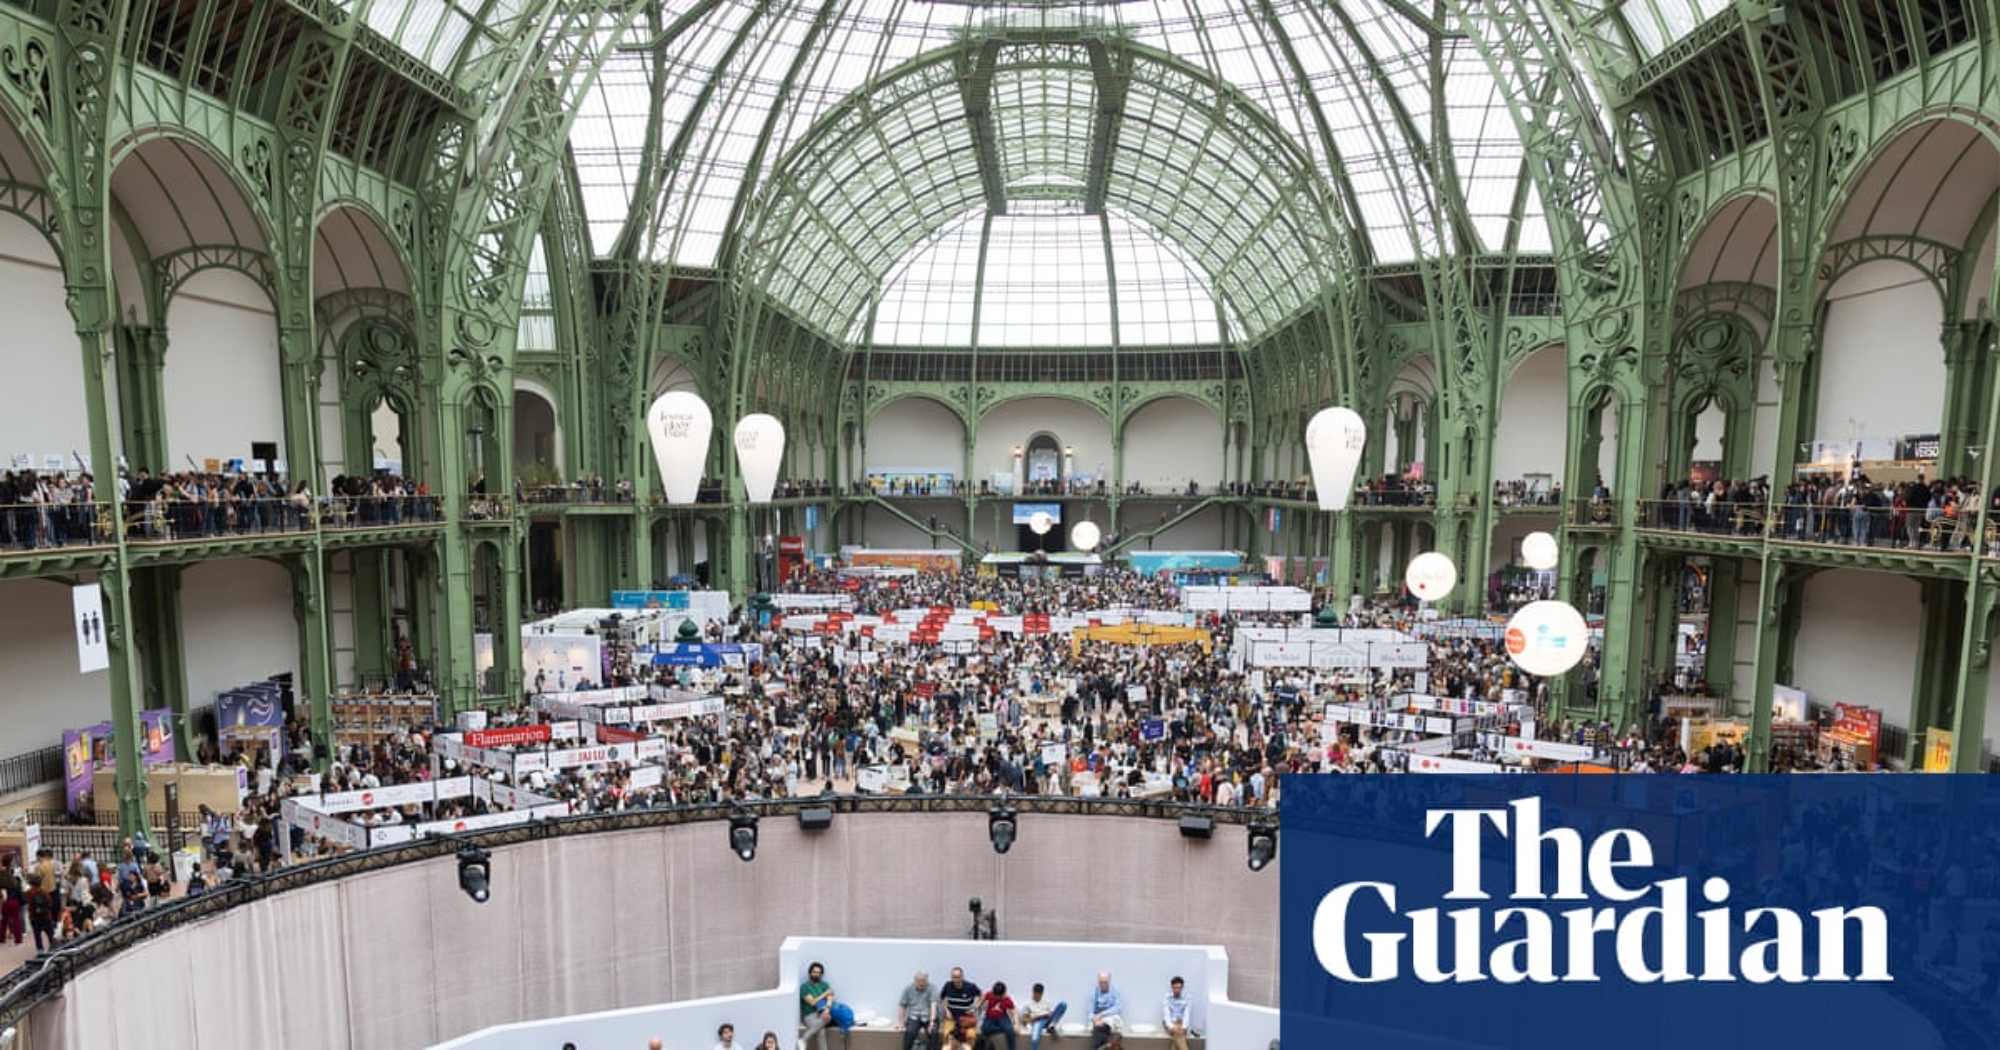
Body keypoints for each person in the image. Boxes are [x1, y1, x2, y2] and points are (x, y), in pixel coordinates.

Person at [799, 960, 844, 1050]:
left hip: (822, 1012)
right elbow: (812, 1002)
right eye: (814, 972)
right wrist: (825, 993)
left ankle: (803, 1040)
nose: (816, 974)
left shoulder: (824, 985)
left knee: (828, 1017)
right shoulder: (804, 987)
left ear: (821, 974)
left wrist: (827, 1009)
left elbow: (830, 998)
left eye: (818, 973)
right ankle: (804, 1039)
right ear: (810, 973)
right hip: (809, 1015)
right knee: (821, 1031)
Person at [937, 966, 981, 1049]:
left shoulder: (970, 986)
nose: (956, 980)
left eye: (958, 977)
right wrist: (946, 1010)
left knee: (971, 1036)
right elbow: (941, 998)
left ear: (962, 977)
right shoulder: (948, 985)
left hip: (966, 1018)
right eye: (953, 977)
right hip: (952, 1017)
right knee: (946, 1034)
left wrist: (976, 1007)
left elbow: (982, 995)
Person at [896, 969, 939, 1050]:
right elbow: (902, 1005)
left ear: (927, 980)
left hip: (928, 1016)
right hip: (913, 1016)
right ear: (915, 980)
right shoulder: (908, 989)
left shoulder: (932, 988)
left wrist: (932, 1022)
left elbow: (933, 1005)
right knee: (909, 1032)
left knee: (933, 1033)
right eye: (919, 981)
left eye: (923, 981)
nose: (921, 983)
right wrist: (900, 1022)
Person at [1016, 983, 1066, 1050]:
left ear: (1042, 993)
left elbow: (1051, 1014)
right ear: (1033, 992)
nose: (1036, 996)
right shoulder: (1027, 1003)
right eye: (1035, 994)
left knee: (1063, 1004)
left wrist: (1047, 1015)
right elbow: (1024, 1020)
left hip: (1048, 1020)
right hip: (1037, 1022)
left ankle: (1052, 1026)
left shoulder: (1046, 1001)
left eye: (1039, 995)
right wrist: (1037, 1016)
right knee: (1034, 1039)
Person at [1086, 972, 1123, 1048]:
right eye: (1101, 982)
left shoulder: (1115, 992)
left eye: (1105, 982)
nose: (1103, 985)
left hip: (1110, 1017)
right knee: (1099, 1029)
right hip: (1097, 1018)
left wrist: (1102, 1015)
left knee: (1100, 1029)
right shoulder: (1094, 992)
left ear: (1109, 981)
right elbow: (1090, 1010)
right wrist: (1094, 1019)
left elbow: (1117, 1008)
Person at [978, 980, 1017, 1050]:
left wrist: (1016, 1024)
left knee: (1010, 1031)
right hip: (990, 1017)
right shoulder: (990, 994)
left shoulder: (1007, 999)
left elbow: (1013, 1011)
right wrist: (979, 1005)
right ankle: (1002, 1029)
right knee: (984, 1029)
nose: (997, 997)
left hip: (1002, 1017)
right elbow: (984, 997)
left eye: (999, 996)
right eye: (996, 996)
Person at [1161, 976, 1192, 1050]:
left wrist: (1184, 1027)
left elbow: (1187, 1014)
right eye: (1175, 988)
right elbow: (1166, 1015)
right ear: (1172, 988)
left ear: (1182, 988)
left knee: (1177, 1036)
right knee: (1179, 1034)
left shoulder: (1187, 998)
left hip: (1181, 1023)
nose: (1177, 990)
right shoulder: (1167, 998)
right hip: (1169, 1023)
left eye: (1179, 988)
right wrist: (1172, 1027)